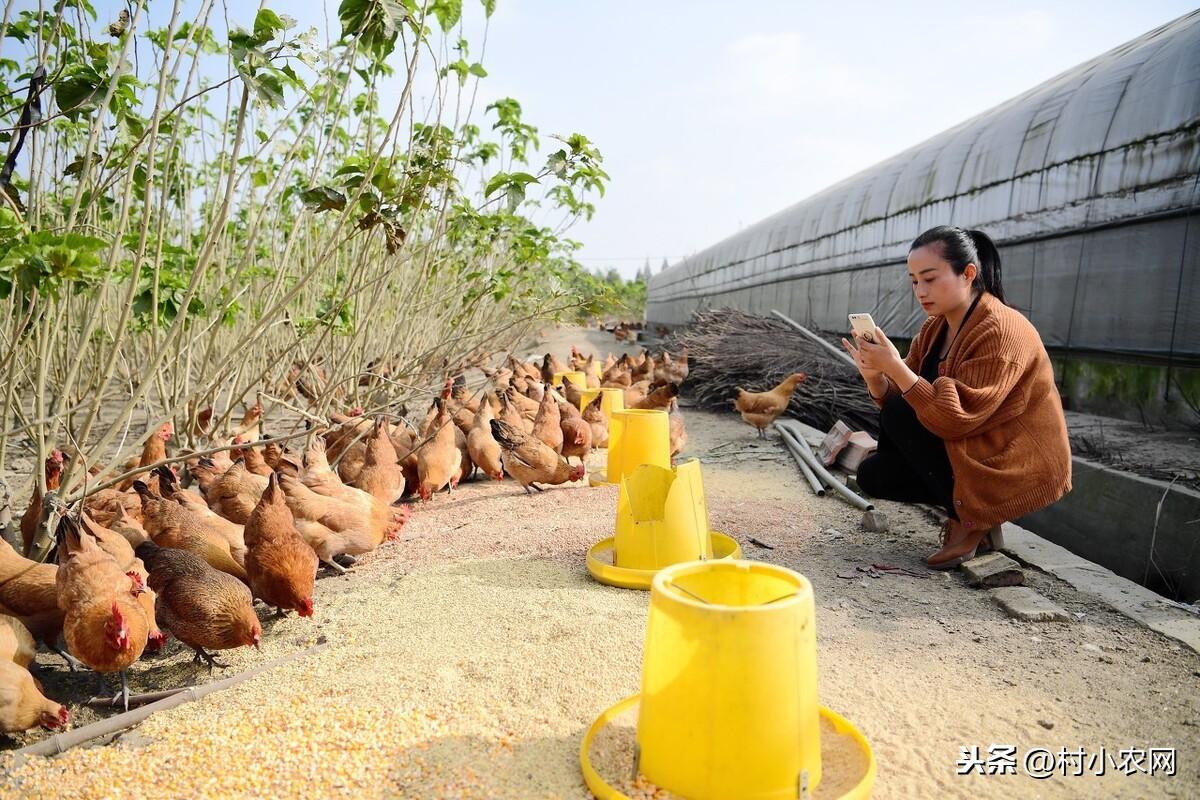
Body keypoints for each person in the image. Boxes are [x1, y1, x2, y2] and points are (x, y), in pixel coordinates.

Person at [841, 226, 1071, 569]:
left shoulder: (1001, 330)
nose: (921, 290)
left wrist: (895, 368)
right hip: (969, 444)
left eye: (930, 278)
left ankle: (970, 522)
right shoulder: (936, 327)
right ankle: (971, 512)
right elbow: (904, 397)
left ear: (968, 274)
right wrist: (875, 376)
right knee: (874, 473)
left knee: (901, 412)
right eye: (914, 281)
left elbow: (953, 417)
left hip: (1007, 458)